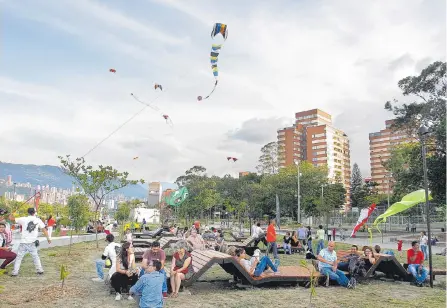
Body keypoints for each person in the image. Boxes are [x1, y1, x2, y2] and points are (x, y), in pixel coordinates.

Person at [9, 208, 51, 276]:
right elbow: (44, 230)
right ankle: (39, 270)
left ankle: (15, 272)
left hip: (23, 242)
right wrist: (48, 238)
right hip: (32, 242)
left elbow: (11, 219)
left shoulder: (23, 219)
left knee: (19, 258)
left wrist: (11, 213)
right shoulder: (38, 220)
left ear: (28, 212)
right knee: (35, 257)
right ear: (34, 212)